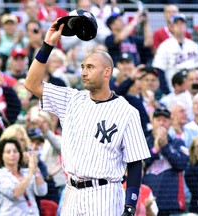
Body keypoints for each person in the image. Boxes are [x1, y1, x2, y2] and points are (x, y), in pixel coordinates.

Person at [24, 19, 151, 215]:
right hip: (72, 191)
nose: (83, 72)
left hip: (105, 194)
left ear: (107, 71)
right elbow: (32, 84)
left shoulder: (126, 111)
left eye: (90, 67)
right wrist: (48, 45)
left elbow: (135, 163)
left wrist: (130, 205)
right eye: (83, 67)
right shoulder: (72, 99)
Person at [142, 107, 189, 215]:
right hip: (148, 202)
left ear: (170, 123)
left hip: (171, 203)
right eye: (158, 120)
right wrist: (155, 149)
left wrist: (165, 146)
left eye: (165, 120)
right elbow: (140, 165)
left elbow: (181, 164)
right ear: (152, 122)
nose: (161, 123)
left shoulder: (178, 143)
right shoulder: (143, 142)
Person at [0, 138, 48, 215]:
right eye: (8, 152)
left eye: (15, 151)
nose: (12, 154)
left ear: (20, 154)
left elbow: (42, 191)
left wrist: (36, 169)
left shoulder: (25, 172)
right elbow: (14, 194)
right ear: (1, 155)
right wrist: (31, 172)